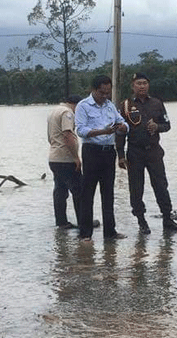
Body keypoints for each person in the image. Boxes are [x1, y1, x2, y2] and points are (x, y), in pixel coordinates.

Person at [116, 73, 177, 234]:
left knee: (161, 185)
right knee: (136, 188)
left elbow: (167, 125)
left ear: (148, 85)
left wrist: (157, 127)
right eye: (138, 83)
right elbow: (119, 132)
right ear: (133, 86)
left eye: (145, 83)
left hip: (154, 151)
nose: (142, 86)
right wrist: (120, 155)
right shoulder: (125, 105)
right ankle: (141, 220)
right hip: (134, 152)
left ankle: (167, 218)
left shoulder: (157, 103)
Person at [75, 75, 128, 241]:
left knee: (108, 193)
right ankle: (85, 234)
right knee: (87, 193)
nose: (105, 96)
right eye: (102, 92)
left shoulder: (110, 105)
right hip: (91, 151)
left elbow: (122, 123)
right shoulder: (83, 106)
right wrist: (102, 132)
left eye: (107, 92)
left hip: (108, 152)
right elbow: (81, 131)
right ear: (94, 90)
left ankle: (110, 232)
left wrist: (122, 127)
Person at [47, 94, 82, 229]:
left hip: (54, 157)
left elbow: (50, 136)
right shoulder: (67, 113)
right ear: (76, 105)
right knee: (79, 190)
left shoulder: (54, 111)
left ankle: (61, 222)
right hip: (66, 159)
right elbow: (67, 135)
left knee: (60, 190)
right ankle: (83, 221)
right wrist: (75, 157)